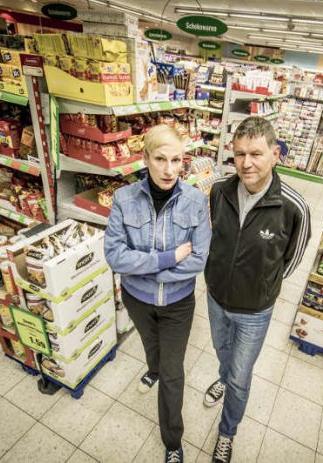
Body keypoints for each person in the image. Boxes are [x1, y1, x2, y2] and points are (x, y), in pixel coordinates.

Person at [203, 116, 311, 463]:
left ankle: (227, 433)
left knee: (239, 377)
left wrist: (266, 286)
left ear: (275, 154)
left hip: (255, 310)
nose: (246, 163)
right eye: (238, 154)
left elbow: (293, 258)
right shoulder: (219, 191)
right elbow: (214, 238)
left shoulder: (293, 207)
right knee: (223, 354)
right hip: (216, 297)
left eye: (256, 154)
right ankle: (221, 377)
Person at [104, 124, 211, 463]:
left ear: (183, 161)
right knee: (151, 347)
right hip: (137, 298)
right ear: (145, 158)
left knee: (173, 371)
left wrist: (146, 267)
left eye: (176, 160)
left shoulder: (195, 201)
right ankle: (153, 369)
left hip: (178, 302)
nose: (169, 169)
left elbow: (197, 260)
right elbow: (115, 256)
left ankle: (172, 441)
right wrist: (166, 258)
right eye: (160, 159)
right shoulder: (124, 199)